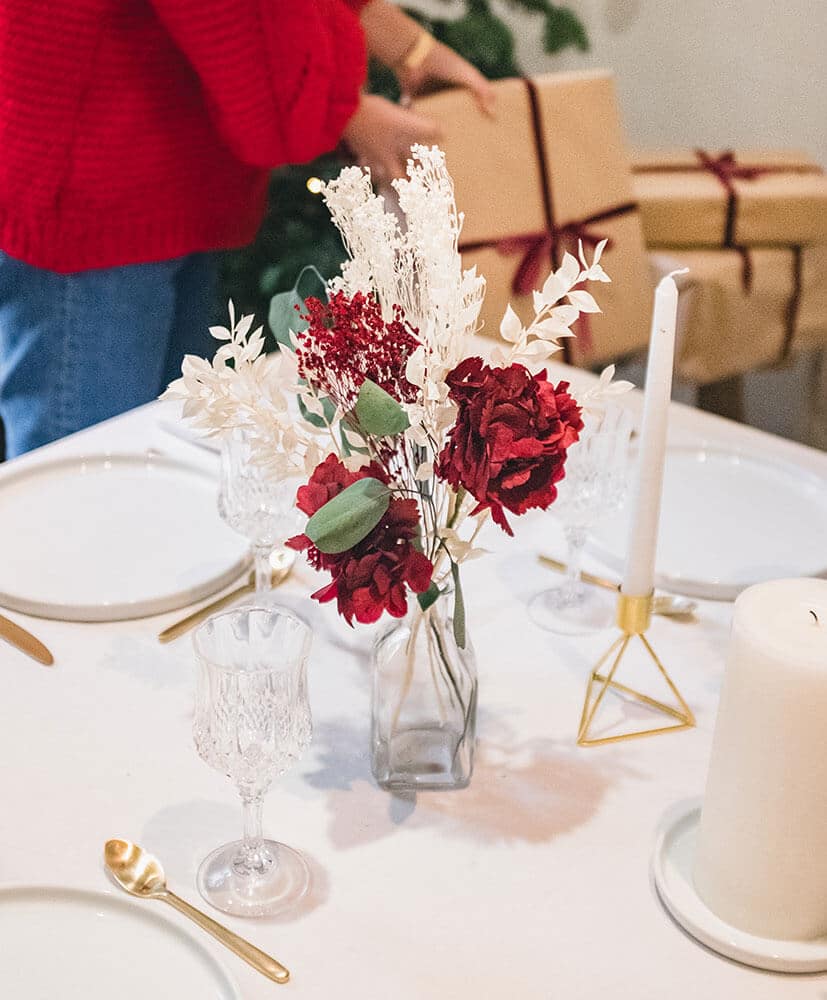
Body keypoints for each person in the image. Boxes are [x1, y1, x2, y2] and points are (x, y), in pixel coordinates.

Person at [0, 1, 493, 459]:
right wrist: (344, 112)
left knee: (158, 475)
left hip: (161, 179)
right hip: (93, 192)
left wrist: (409, 46)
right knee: (85, 499)